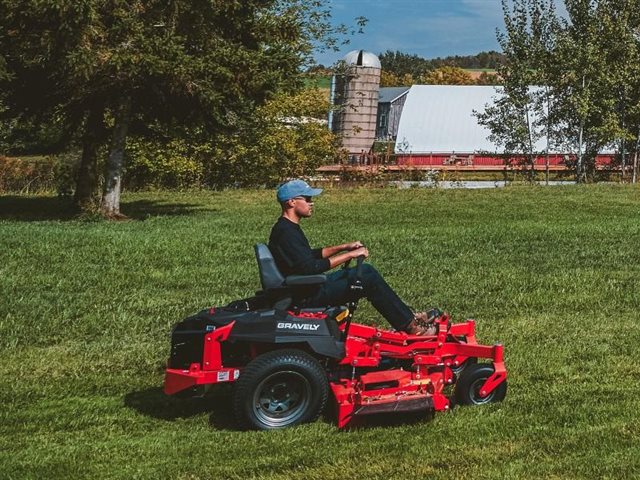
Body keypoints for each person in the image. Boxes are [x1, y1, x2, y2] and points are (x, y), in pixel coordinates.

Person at [268, 179, 437, 335]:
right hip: (306, 296)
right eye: (307, 198)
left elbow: (309, 256)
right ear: (291, 202)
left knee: (366, 271)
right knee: (366, 278)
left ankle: (407, 317)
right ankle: (410, 325)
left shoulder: (287, 228)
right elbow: (310, 268)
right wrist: (350, 254)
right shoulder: (286, 232)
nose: (312, 203)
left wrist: (344, 247)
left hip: (307, 288)